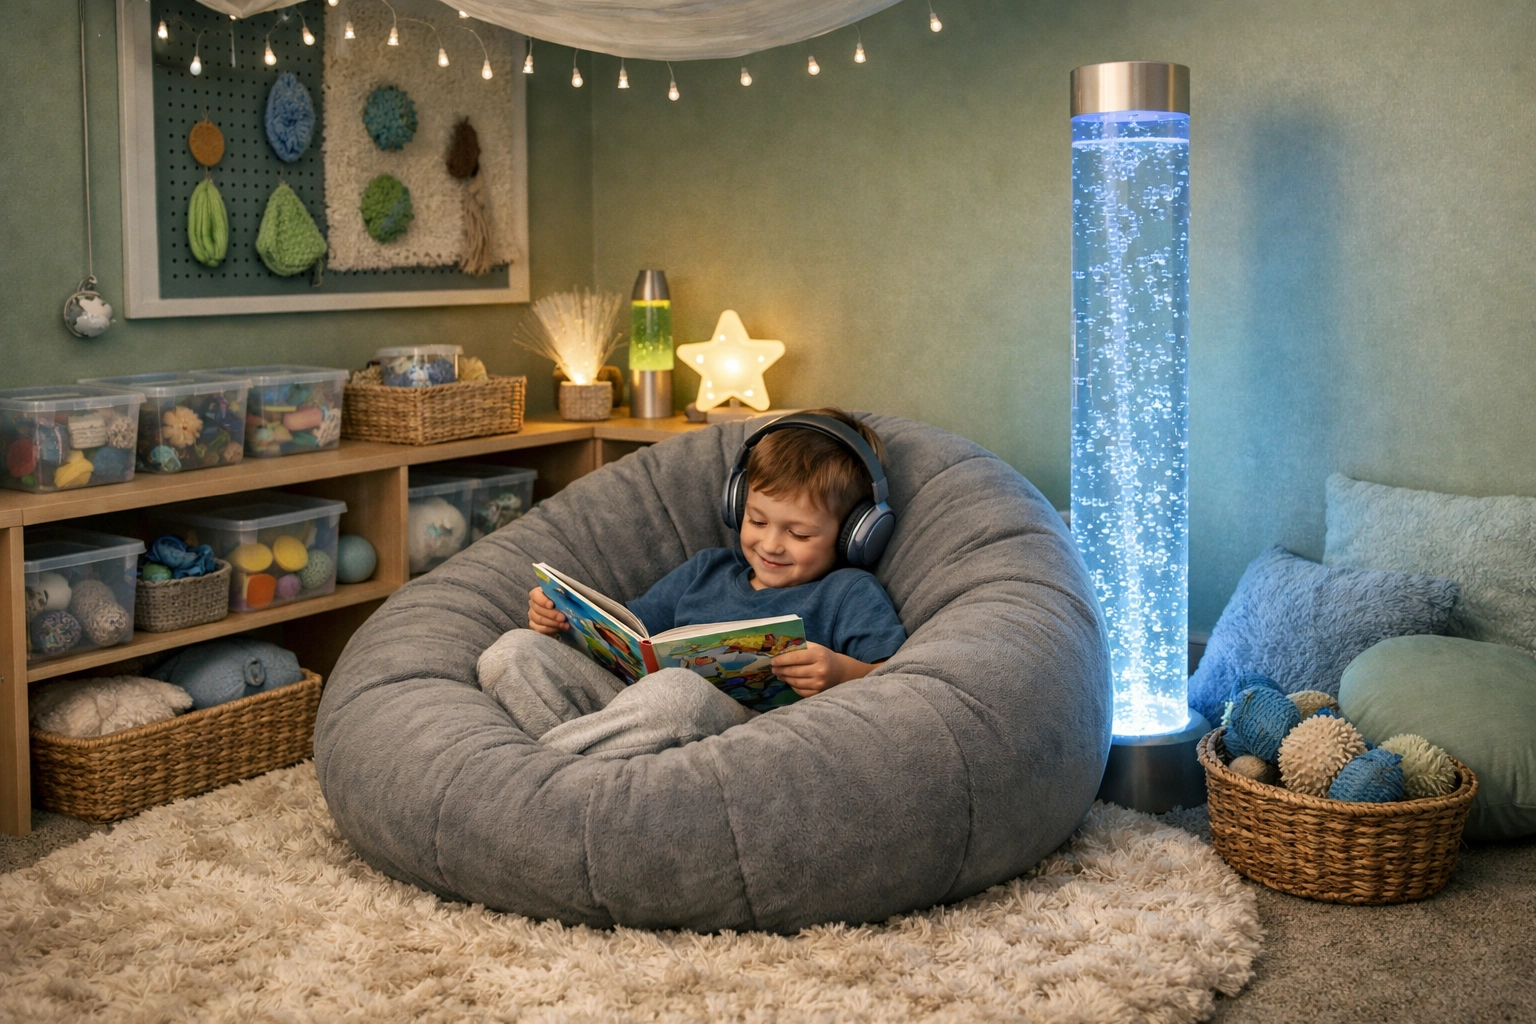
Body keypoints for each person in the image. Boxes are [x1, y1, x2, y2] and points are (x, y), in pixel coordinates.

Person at [477, 408, 906, 758]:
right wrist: (562, 622)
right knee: (512, 651)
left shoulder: (848, 591)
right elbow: (629, 635)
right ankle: (586, 762)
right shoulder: (707, 569)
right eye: (757, 521)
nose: (771, 544)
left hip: (736, 734)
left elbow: (899, 680)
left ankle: (542, 770)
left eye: (798, 533)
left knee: (678, 692)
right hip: (635, 713)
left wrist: (842, 673)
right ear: (737, 504)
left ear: (855, 534)